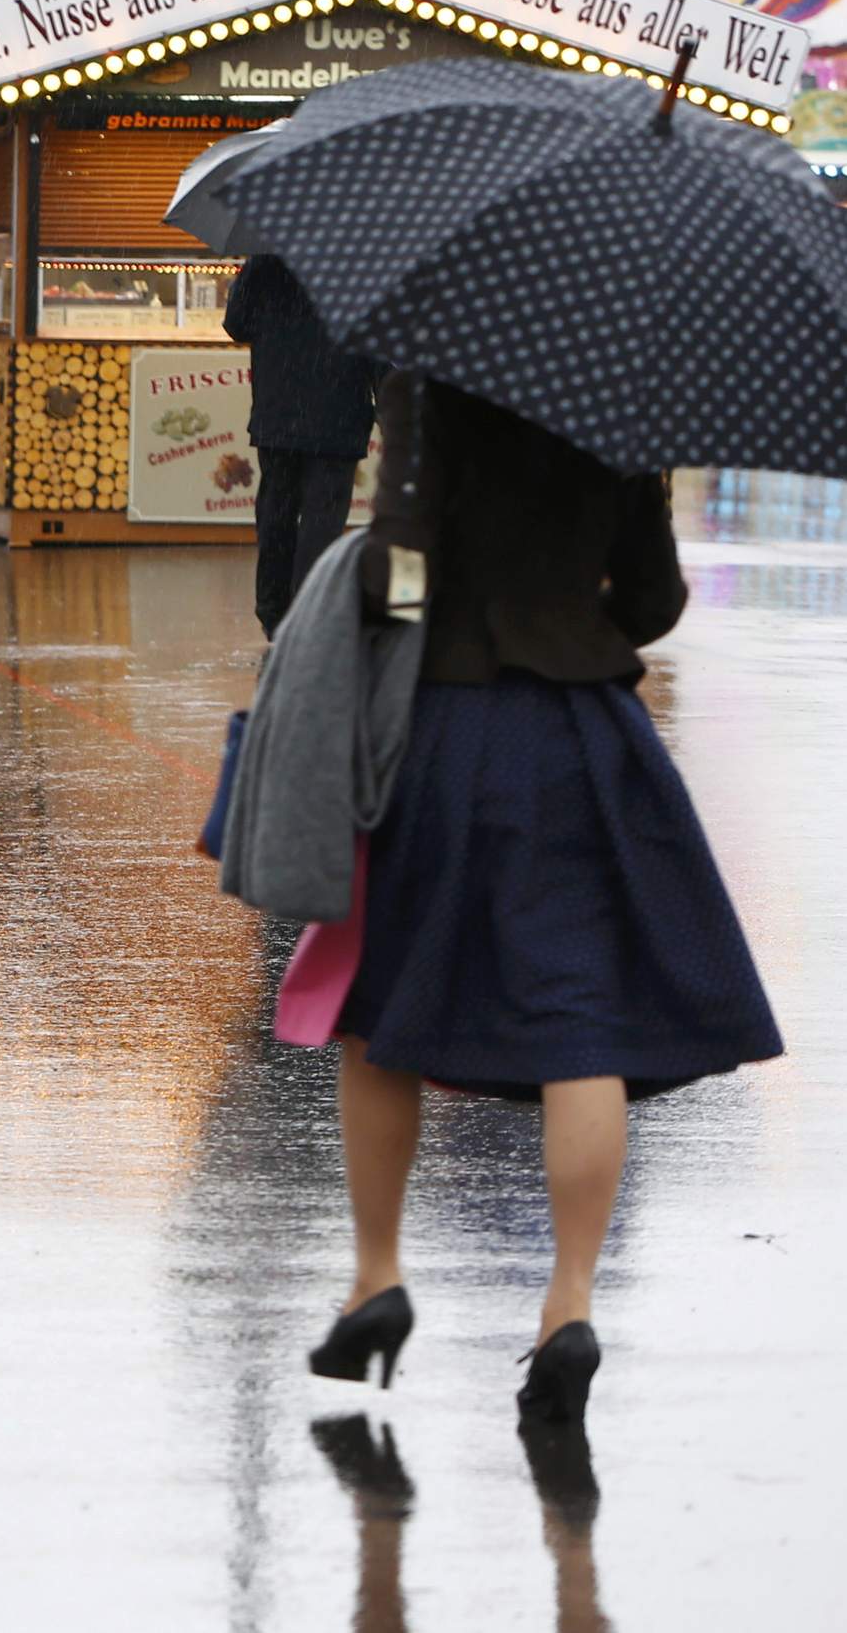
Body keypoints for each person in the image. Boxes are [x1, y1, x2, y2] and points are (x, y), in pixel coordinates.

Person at [294, 374, 779, 1427]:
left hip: (446, 726)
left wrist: (403, 611)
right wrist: (567, 618)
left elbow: (398, 558)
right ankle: (565, 1305)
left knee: (379, 1015)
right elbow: (652, 600)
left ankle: (374, 1280)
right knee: (578, 1022)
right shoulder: (624, 399)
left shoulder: (430, 374)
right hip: (585, 738)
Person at [228, 251, 376, 636]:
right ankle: (311, 616)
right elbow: (379, 341)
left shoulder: (266, 259)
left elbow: (236, 325)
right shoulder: (362, 263)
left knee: (276, 514)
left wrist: (245, 275)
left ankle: (273, 609)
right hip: (340, 413)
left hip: (279, 413)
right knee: (322, 522)